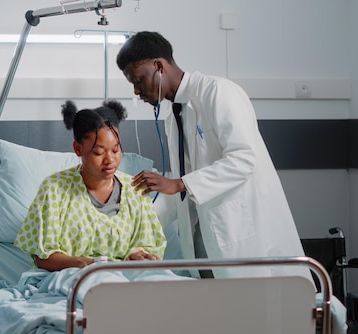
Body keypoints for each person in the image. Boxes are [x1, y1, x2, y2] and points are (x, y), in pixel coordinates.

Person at [116, 31, 309, 279]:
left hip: (240, 233)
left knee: (259, 309)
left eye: (138, 80)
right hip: (203, 238)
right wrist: (134, 230)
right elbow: (182, 194)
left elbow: (244, 158)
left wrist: (178, 183)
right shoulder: (172, 119)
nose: (136, 90)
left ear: (158, 66)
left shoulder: (218, 92)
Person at [14, 100, 167, 271]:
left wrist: (138, 255)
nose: (110, 160)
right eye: (99, 153)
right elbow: (43, 257)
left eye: (116, 150)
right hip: (72, 277)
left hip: (126, 279)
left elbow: (150, 247)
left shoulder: (135, 190)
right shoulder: (54, 190)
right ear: (78, 149)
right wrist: (82, 265)